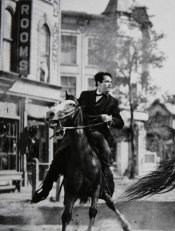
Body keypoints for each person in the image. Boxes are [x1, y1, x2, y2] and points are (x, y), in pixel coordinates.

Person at [32, 72, 124, 203]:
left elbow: (120, 123)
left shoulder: (112, 102)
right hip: (79, 132)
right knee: (59, 156)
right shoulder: (85, 95)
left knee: (106, 154)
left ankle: (106, 187)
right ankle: (45, 189)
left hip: (98, 134)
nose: (110, 84)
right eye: (107, 81)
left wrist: (110, 119)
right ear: (98, 83)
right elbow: (74, 109)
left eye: (110, 82)